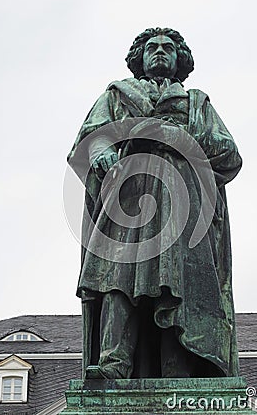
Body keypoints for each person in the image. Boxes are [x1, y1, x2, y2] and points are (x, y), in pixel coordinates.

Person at [68, 28, 242, 379]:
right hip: (130, 194)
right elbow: (91, 138)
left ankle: (179, 372)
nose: (159, 52)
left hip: (184, 202)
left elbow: (230, 155)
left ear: (180, 59)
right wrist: (102, 152)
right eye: (152, 47)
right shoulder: (117, 95)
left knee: (179, 284)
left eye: (167, 47)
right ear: (139, 57)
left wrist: (181, 135)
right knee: (116, 275)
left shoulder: (197, 103)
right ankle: (111, 366)